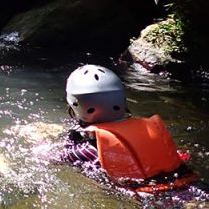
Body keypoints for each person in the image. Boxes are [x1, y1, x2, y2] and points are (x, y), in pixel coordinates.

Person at [63, 64, 198, 193]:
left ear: (75, 107)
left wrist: (71, 136)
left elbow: (61, 157)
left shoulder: (84, 151)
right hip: (188, 184)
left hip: (148, 196)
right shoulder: (148, 129)